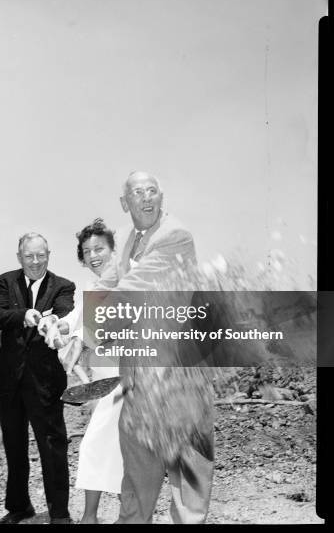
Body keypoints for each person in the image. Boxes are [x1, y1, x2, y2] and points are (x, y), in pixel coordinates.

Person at [92, 171, 215, 525]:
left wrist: (85, 331)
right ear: (124, 203)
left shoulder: (174, 236)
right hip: (142, 374)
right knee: (137, 459)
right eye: (137, 193)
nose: (146, 198)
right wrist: (64, 323)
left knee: (187, 465)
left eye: (152, 192)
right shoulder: (131, 238)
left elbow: (131, 288)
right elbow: (107, 283)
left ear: (162, 197)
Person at [0, 233, 76, 525]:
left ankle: (60, 513)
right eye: (29, 256)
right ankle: (19, 507)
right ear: (19, 257)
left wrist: (53, 322)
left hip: (46, 384)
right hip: (8, 382)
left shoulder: (63, 286)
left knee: (52, 445)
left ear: (49, 254)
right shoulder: (6, 281)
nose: (35, 262)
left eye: (41, 255)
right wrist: (23, 315)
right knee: (14, 445)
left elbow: (65, 315)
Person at [48, 219, 124, 524]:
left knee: (96, 444)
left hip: (129, 375)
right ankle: (125, 515)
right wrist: (55, 325)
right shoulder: (91, 288)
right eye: (87, 250)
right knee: (116, 448)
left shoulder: (125, 281)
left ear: (112, 250)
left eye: (99, 248)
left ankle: (91, 517)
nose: (93, 255)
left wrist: (78, 334)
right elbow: (74, 320)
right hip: (104, 379)